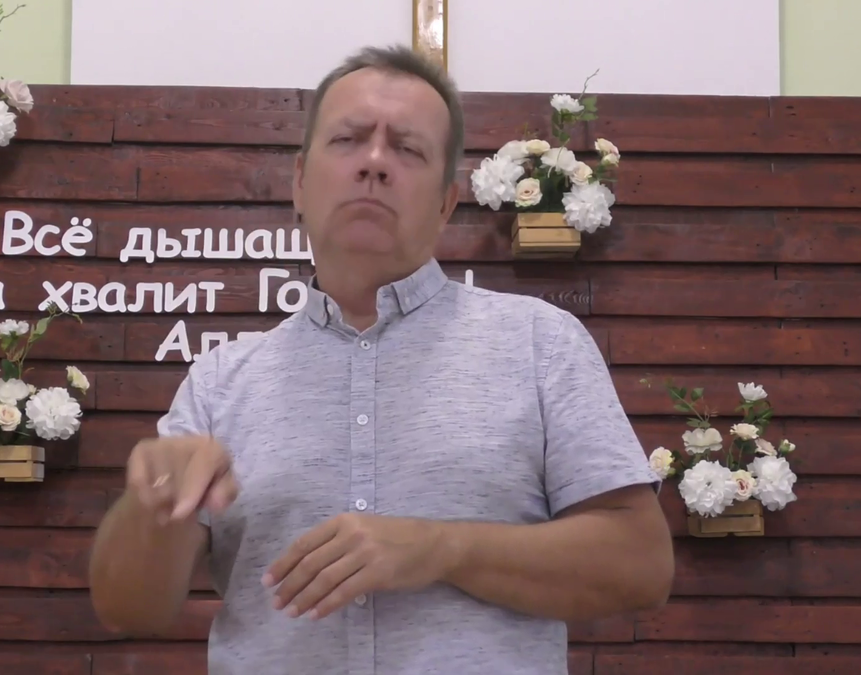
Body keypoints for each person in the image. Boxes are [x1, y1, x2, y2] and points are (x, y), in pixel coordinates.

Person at [89, 44, 674, 674]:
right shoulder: (219, 383)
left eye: (408, 149)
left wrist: (443, 548)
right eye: (347, 140)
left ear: (446, 203)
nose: (373, 163)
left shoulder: (540, 343)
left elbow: (641, 565)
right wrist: (150, 508)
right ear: (299, 182)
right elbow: (128, 608)